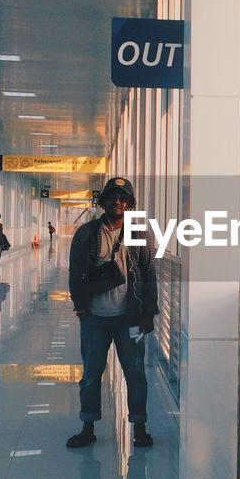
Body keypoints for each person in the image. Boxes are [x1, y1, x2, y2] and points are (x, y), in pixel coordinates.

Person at [66, 176, 157, 448]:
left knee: (136, 374)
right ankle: (88, 426)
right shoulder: (87, 233)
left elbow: (148, 274)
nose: (117, 201)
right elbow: (75, 273)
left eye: (123, 198)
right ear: (103, 200)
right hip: (95, 317)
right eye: (113, 196)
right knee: (91, 374)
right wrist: (80, 306)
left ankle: (139, 427)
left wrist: (148, 314)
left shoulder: (139, 234)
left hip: (128, 316)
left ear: (130, 204)